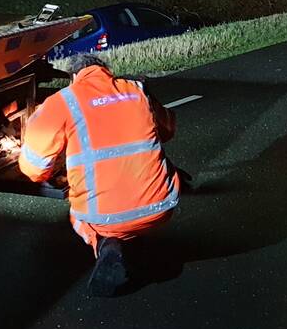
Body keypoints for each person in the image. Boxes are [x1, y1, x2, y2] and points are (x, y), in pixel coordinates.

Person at [18, 54, 180, 296]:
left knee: (80, 214)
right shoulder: (137, 90)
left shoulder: (62, 101)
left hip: (105, 217)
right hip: (162, 206)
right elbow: (167, 130)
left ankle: (108, 246)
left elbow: (34, 169)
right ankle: (133, 235)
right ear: (106, 70)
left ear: (74, 77)